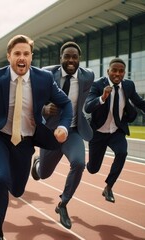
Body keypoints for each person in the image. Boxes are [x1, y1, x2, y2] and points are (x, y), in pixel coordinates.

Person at [0, 34, 73, 240]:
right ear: (9, 56)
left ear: (31, 57)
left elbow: (66, 104)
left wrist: (64, 128)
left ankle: (28, 168)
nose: (22, 58)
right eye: (17, 53)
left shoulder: (44, 79)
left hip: (26, 140)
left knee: (18, 190)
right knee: (1, 178)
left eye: (26, 54)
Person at [30, 41, 94, 229]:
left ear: (79, 59)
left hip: (72, 131)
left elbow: (83, 99)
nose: (71, 60)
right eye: (67, 56)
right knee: (43, 174)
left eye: (75, 57)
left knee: (79, 163)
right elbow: (31, 98)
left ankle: (63, 204)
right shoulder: (47, 73)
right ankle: (38, 163)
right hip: (50, 133)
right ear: (61, 58)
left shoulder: (88, 76)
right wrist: (43, 109)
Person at [84, 57, 145, 203]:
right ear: (108, 71)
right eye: (114, 70)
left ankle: (109, 187)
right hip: (98, 132)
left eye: (121, 71)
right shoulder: (97, 85)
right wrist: (102, 98)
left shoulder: (129, 86)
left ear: (124, 73)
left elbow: (141, 103)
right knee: (93, 169)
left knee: (122, 152)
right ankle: (85, 164)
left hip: (116, 131)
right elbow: (88, 106)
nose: (117, 74)